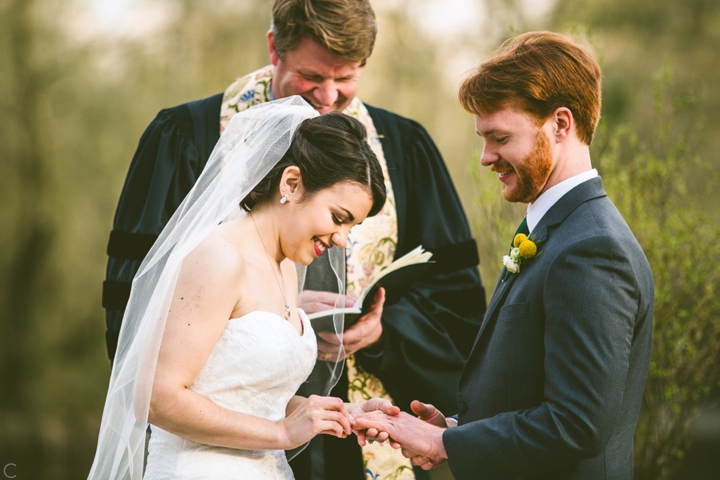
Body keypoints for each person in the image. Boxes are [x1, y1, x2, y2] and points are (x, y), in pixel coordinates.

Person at [101, 0, 485, 478]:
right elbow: (143, 313)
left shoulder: (403, 146)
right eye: (311, 76)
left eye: (345, 77)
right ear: (273, 49)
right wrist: (240, 314)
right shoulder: (183, 138)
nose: (327, 97)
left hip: (336, 440)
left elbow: (455, 296)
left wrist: (384, 340)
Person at [353, 31, 654, 480]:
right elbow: (529, 393)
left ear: (561, 124)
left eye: (499, 138)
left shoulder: (593, 250)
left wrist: (443, 443)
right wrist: (452, 430)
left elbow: (578, 425)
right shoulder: (554, 231)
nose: (485, 158)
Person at [89, 98, 400, 480]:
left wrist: (329, 412)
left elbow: (248, 397)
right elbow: (155, 398)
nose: (341, 240)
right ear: (291, 183)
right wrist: (281, 433)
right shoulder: (219, 257)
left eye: (352, 228)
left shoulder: (284, 266)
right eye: (339, 219)